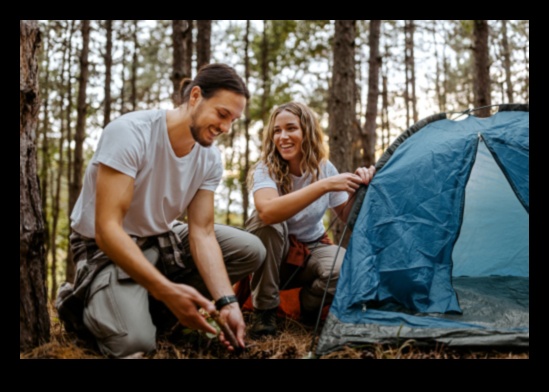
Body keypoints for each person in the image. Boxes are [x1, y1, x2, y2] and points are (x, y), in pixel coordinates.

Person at [55, 63, 266, 358]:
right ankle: (93, 305)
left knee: (250, 249)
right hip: (105, 248)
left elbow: (203, 233)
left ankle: (152, 305)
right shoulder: (130, 133)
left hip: (161, 237)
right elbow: (107, 229)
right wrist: (168, 290)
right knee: (135, 344)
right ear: (195, 96)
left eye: (233, 120)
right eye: (222, 114)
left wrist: (227, 302)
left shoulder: (210, 158)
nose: (226, 128)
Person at [245, 101, 375, 337]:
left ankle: (306, 307)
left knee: (346, 268)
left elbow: (349, 219)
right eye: (277, 130)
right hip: (273, 256)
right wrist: (323, 186)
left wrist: (362, 190)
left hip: (312, 247)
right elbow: (267, 212)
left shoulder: (324, 168)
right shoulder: (265, 169)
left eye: (291, 128)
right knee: (268, 224)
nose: (283, 136)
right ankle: (264, 313)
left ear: (307, 131)